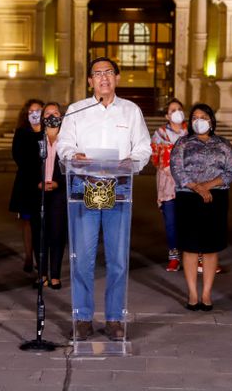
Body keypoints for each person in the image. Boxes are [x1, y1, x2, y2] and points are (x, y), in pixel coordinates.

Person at [57, 57, 151, 342]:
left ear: (117, 78)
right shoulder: (77, 110)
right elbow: (64, 144)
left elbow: (143, 147)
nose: (103, 78)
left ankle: (114, 319)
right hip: (84, 187)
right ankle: (83, 318)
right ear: (90, 81)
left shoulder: (131, 111)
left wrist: (132, 161)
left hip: (118, 188)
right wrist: (73, 155)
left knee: (117, 259)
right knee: (82, 258)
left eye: (109, 72)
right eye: (97, 74)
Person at [169, 103, 232, 311]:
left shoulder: (223, 144)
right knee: (190, 246)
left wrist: (208, 186)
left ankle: (206, 293)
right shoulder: (183, 143)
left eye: (204, 117)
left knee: (210, 247)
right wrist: (196, 187)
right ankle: (192, 293)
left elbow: (230, 170)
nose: (199, 121)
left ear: (211, 121)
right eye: (195, 117)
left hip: (216, 198)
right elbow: (177, 169)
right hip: (189, 197)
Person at [31, 102, 68, 290]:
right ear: (42, 117)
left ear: (61, 116)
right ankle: (42, 274)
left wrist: (58, 183)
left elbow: (72, 166)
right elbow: (28, 165)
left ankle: (55, 275)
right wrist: (38, 182)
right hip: (39, 192)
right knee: (39, 234)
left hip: (59, 193)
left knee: (57, 233)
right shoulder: (36, 139)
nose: (52, 116)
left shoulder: (68, 140)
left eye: (56, 112)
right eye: (48, 113)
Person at [8, 98, 45, 278]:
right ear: (26, 114)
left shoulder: (48, 131)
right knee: (28, 221)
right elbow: (18, 156)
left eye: (38, 111)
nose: (35, 114)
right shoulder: (21, 132)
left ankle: (41, 258)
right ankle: (29, 256)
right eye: (31, 111)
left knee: (42, 222)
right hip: (26, 183)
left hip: (45, 183)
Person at [150, 99, 186, 272]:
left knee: (191, 220)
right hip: (167, 184)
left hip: (190, 184)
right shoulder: (160, 134)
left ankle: (198, 255)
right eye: (172, 110)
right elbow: (154, 158)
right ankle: (174, 256)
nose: (177, 112)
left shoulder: (192, 133)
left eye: (179, 109)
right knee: (171, 221)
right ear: (167, 116)